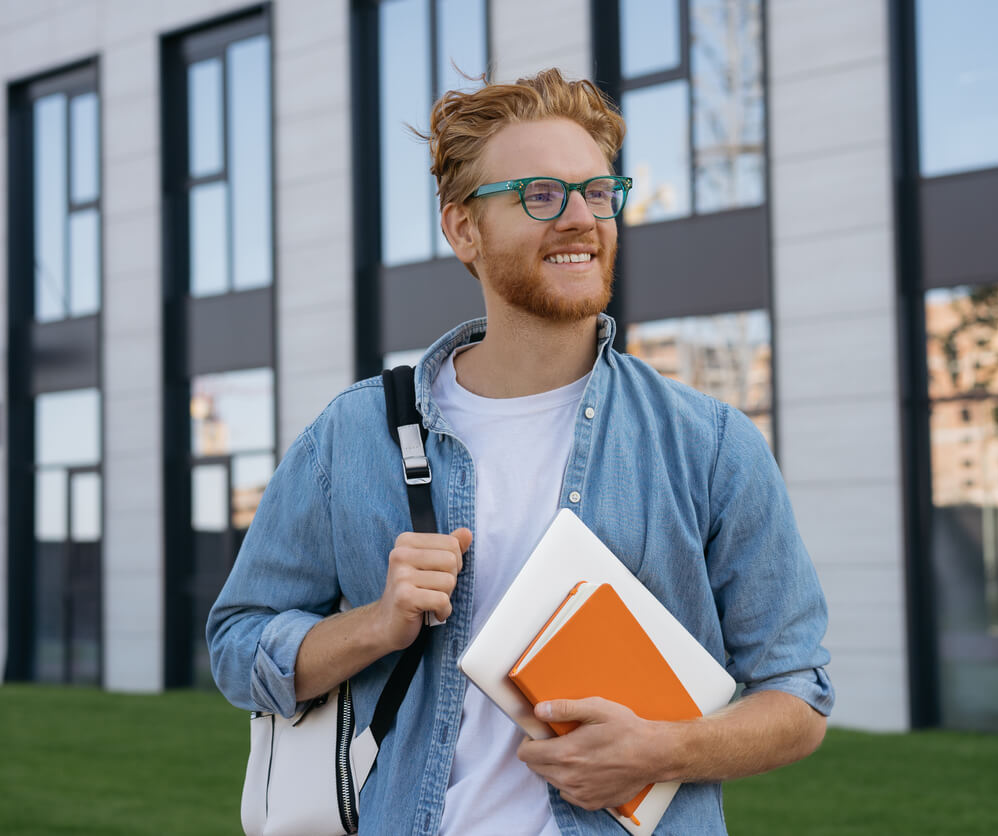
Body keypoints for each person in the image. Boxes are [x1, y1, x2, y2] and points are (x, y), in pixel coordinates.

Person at [208, 68, 833, 835]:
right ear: (463, 229)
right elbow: (237, 648)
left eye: (597, 192)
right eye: (540, 195)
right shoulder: (352, 437)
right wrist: (377, 624)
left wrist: (662, 749)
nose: (579, 218)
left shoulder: (708, 445)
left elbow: (797, 696)